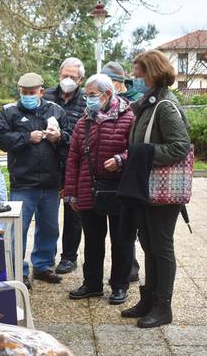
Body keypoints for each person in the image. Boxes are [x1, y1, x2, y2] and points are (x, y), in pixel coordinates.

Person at [119, 50, 191, 328]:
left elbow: (179, 146)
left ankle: (164, 307)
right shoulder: (148, 103)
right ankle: (148, 300)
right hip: (146, 188)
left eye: (138, 74)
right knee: (148, 244)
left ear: (153, 73)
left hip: (163, 192)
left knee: (161, 247)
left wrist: (144, 154)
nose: (134, 79)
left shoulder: (165, 106)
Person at [0, 72, 71, 286]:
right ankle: (20, 270)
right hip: (23, 182)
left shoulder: (56, 110)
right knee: (19, 230)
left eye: (31, 93)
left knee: (49, 228)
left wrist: (59, 137)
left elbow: (71, 140)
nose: (27, 96)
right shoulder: (9, 112)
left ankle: (43, 266)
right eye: (24, 93)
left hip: (51, 182)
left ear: (41, 92)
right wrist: (26, 138)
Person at [64, 74, 134, 304]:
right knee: (92, 241)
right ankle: (92, 283)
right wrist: (71, 192)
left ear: (107, 94)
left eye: (92, 95)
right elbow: (73, 157)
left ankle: (119, 286)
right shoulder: (84, 121)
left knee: (121, 241)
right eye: (86, 96)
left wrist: (121, 160)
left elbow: (137, 150)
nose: (88, 100)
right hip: (89, 188)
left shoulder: (129, 117)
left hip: (119, 191)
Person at [43, 57, 86, 276]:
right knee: (47, 215)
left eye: (72, 77)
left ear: (80, 79)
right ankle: (45, 257)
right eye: (64, 75)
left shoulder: (87, 100)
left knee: (73, 214)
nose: (67, 79)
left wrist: (62, 138)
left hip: (73, 166)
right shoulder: (47, 97)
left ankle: (69, 257)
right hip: (47, 165)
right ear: (59, 75)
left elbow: (86, 135)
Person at [102, 61, 142, 282]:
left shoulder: (136, 102)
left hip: (129, 169)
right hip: (112, 172)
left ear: (116, 84)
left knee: (127, 229)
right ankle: (127, 269)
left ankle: (129, 270)